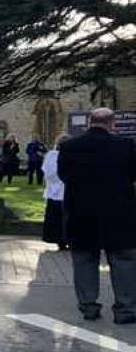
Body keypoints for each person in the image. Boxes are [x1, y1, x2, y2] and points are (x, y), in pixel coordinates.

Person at [58, 108, 136, 324]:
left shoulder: (69, 147)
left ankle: (89, 307)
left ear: (89, 123)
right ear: (112, 124)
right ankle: (125, 309)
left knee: (84, 261)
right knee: (124, 262)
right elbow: (133, 174)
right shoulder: (126, 146)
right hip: (119, 214)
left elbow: (64, 175)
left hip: (81, 213)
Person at [41, 134, 69, 251]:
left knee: (56, 218)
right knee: (64, 218)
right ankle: (64, 240)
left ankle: (60, 241)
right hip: (63, 191)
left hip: (54, 192)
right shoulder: (56, 155)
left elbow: (46, 172)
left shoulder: (50, 156)